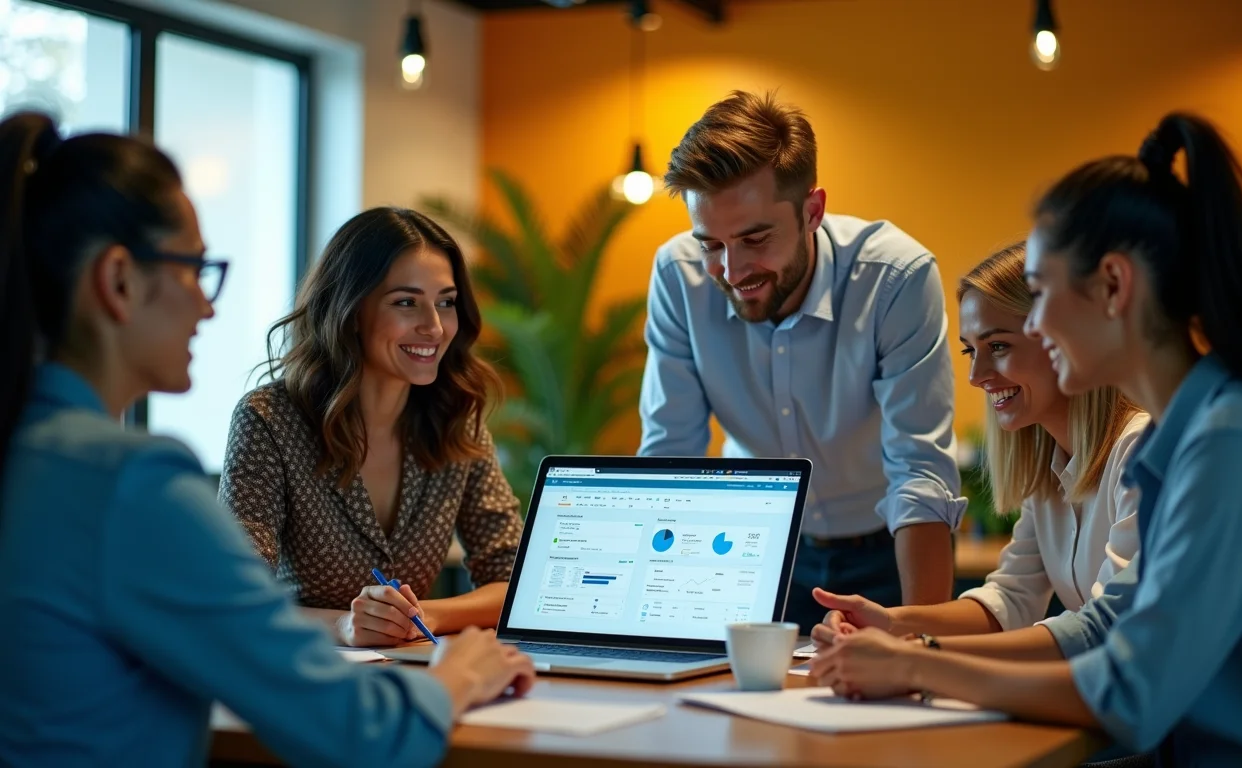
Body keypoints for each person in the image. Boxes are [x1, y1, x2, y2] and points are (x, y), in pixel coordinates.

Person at [0, 112, 534, 766]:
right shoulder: (135, 485)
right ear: (118, 281)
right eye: (195, 269)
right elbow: (357, 732)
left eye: (446, 302)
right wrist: (461, 676)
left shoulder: (31, 455)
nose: (208, 305)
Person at [809, 112, 1242, 765]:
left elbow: (1128, 689)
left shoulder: (1228, 442)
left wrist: (917, 664)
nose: (1035, 326)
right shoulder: (1181, 440)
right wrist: (905, 637)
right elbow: (1106, 628)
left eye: (1038, 292)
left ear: (1113, 285)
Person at [639, 90, 966, 627]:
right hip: (748, 544)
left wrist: (920, 645)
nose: (732, 271)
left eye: (754, 239)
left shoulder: (895, 279)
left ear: (812, 211)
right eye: (711, 245)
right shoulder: (679, 276)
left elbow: (920, 472)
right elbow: (671, 456)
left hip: (888, 548)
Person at [219, 207, 524, 648]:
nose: (434, 327)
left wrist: (425, 616)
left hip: (411, 669)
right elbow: (234, 597)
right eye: (406, 302)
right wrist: (344, 626)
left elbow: (515, 582)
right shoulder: (268, 419)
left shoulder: (457, 420)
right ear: (351, 310)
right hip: (297, 670)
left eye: (445, 302)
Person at [812, 243, 1148, 638]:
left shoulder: (1140, 451)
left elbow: (1105, 628)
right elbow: (1011, 597)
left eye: (998, 346)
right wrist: (890, 623)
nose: (976, 375)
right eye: (971, 350)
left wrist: (922, 653)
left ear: (1066, 340)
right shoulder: (1049, 469)